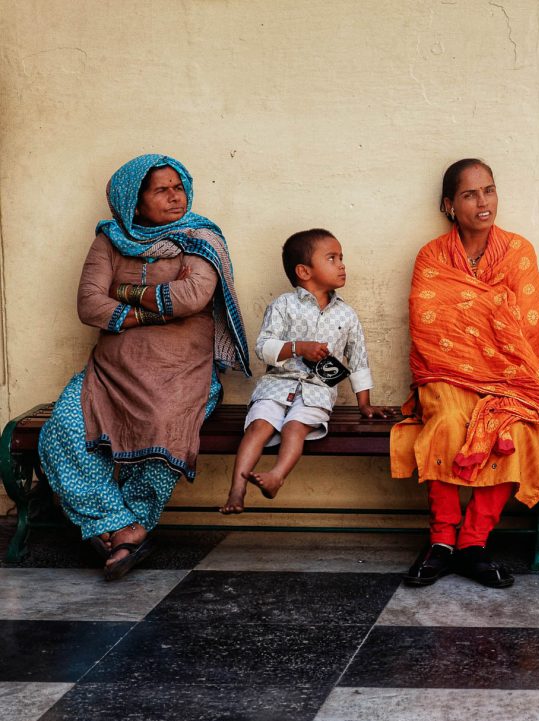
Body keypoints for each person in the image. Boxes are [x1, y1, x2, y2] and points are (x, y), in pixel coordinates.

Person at [38, 154, 250, 580]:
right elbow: (89, 303)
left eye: (179, 186)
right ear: (134, 202)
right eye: (162, 190)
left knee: (164, 426)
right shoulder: (109, 240)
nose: (176, 196)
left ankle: (124, 533)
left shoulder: (201, 237)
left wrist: (125, 290)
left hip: (182, 372)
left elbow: (194, 296)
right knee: (60, 431)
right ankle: (122, 529)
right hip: (110, 373)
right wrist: (155, 307)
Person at [391, 158, 539, 589]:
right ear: (449, 204)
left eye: (489, 190)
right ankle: (441, 541)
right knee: (448, 422)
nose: (483, 202)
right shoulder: (432, 257)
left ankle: (473, 542)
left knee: (519, 429)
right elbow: (429, 325)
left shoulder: (518, 251)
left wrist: (491, 313)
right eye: (470, 194)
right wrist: (493, 308)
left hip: (512, 376)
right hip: (446, 373)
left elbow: (528, 325)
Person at [221, 228, 385, 514]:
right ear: (304, 271)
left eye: (341, 258)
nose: (342, 264)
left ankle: (276, 477)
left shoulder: (347, 315)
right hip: (277, 383)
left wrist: (365, 403)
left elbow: (358, 359)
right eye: (332, 258)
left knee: (294, 428)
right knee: (259, 427)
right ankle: (237, 489)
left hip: (318, 391)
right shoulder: (283, 305)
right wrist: (298, 347)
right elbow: (264, 347)